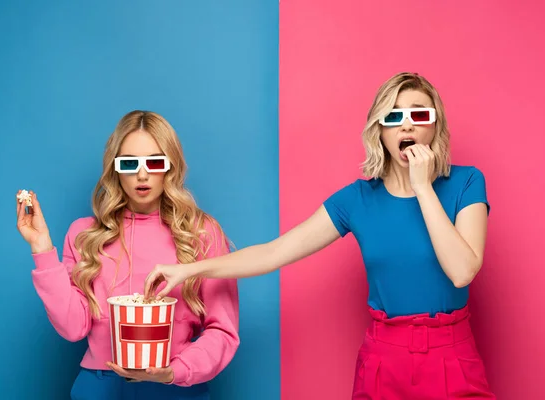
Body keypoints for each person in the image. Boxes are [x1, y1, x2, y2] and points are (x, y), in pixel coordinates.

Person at [144, 73, 496, 399]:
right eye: (393, 116)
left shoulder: (465, 183)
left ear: (435, 125)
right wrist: (189, 270)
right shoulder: (356, 200)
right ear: (380, 131)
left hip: (452, 355)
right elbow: (274, 252)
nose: (406, 124)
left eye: (419, 115)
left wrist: (423, 188)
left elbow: (463, 271)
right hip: (383, 360)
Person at [16, 110, 239, 400]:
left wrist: (176, 371)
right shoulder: (85, 234)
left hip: (174, 387)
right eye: (130, 163)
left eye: (155, 162)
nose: (142, 174)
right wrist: (42, 247)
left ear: (170, 167)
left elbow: (223, 331)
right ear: (115, 169)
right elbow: (72, 328)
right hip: (99, 386)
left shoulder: (201, 233)